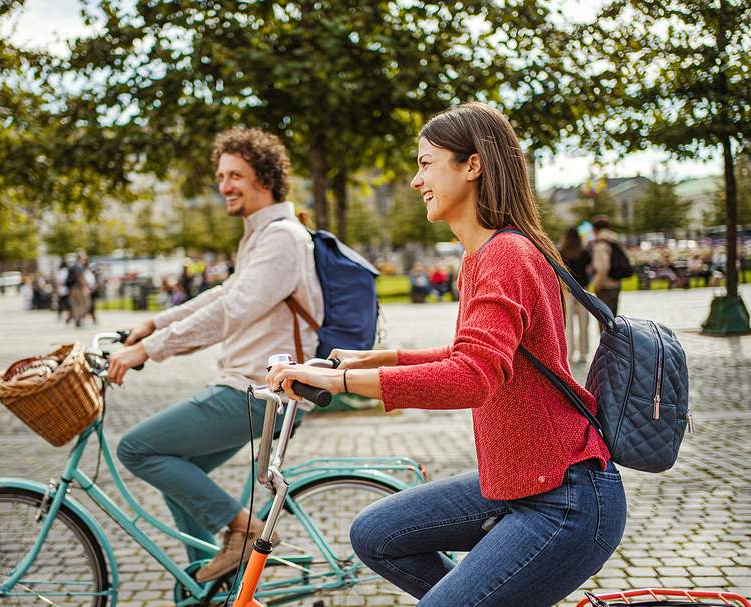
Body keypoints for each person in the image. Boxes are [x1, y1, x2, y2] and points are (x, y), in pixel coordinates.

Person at [267, 103, 625, 607]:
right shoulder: (483, 255)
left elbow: (472, 377)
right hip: (522, 482)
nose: (417, 181)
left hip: (562, 500)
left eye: (426, 163)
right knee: (376, 534)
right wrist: (376, 360)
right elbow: (473, 353)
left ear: (472, 165)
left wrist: (339, 382)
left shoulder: (506, 255)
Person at [107, 127, 323, 582]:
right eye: (221, 175)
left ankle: (245, 530)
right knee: (180, 476)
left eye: (235, 175)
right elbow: (224, 293)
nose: (224, 185)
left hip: (260, 390)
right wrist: (154, 324)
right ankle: (207, 587)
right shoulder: (261, 235)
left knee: (138, 448)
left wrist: (150, 349)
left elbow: (232, 309)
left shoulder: (282, 237)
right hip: (251, 387)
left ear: (265, 178)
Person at [559, 227, 592, 364]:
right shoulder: (584, 252)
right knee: (584, 323)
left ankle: (570, 352)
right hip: (582, 289)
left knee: (568, 323)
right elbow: (590, 268)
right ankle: (583, 353)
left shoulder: (561, 252)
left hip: (567, 290)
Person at [590, 215, 622, 319]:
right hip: (616, 283)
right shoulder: (614, 241)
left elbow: (603, 267)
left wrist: (597, 284)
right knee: (613, 318)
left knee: (604, 320)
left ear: (595, 229)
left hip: (605, 285)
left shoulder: (600, 244)